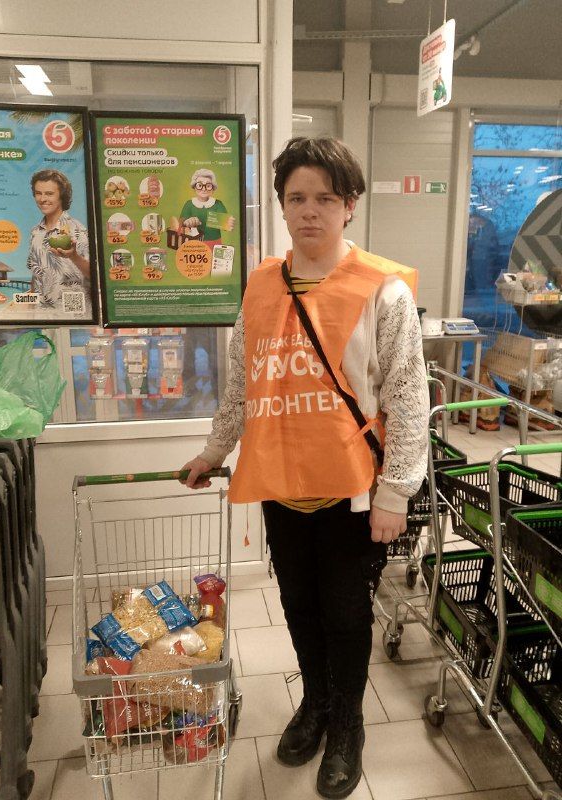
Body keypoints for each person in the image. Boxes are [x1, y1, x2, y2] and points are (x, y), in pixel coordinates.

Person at [182, 137, 429, 798]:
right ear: (282, 206)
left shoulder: (382, 290)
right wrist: (214, 451)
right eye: (297, 198)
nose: (310, 211)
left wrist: (396, 493)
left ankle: (347, 725)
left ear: (350, 206)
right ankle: (315, 703)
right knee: (298, 606)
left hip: (353, 493)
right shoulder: (262, 286)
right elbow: (241, 385)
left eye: (325, 198)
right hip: (281, 486)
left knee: (346, 615)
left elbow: (409, 397)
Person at [27, 169, 90, 309]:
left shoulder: (77, 230)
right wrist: (30, 310)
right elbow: (36, 275)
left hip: (71, 314)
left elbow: (95, 274)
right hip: (40, 313)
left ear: (62, 195)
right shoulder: (35, 232)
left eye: (49, 194)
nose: (42, 199)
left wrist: (74, 256)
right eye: (38, 193)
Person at [180, 168, 235, 247]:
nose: (204, 189)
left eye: (208, 186)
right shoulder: (189, 204)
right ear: (194, 187)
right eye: (200, 185)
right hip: (194, 244)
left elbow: (226, 224)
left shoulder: (218, 204)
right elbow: (181, 223)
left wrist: (228, 223)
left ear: (213, 188)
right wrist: (187, 222)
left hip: (214, 243)